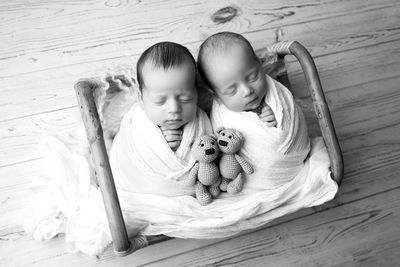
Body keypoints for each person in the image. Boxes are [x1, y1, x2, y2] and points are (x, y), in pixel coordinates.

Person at [197, 32, 277, 127]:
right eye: (232, 91)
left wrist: (276, 114)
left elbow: (287, 112)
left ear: (259, 63)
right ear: (216, 95)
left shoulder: (274, 91)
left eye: (253, 77)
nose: (247, 91)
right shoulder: (223, 120)